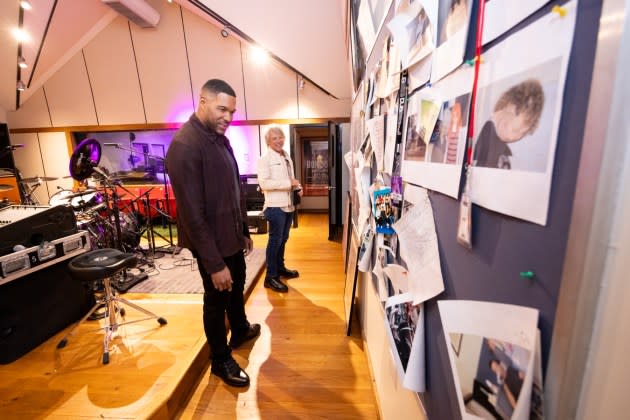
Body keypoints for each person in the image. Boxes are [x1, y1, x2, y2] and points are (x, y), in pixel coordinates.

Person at [165, 79, 260, 388]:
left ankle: (241, 328)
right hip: (212, 245)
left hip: (231, 235)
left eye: (231, 111)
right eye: (222, 109)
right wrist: (215, 264)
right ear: (202, 102)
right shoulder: (185, 146)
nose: (228, 118)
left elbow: (233, 189)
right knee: (216, 299)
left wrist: (243, 230)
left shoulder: (221, 139)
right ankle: (219, 359)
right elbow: (192, 214)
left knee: (238, 284)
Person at [256, 127, 302, 293]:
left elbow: (291, 178)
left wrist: (298, 187)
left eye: (280, 137)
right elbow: (264, 184)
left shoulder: (286, 156)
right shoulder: (265, 159)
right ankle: (270, 277)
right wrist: (289, 184)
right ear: (268, 141)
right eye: (274, 138)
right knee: (275, 241)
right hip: (275, 207)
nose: (279, 141)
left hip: (288, 205)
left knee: (283, 239)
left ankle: (280, 268)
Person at [474, 79, 545, 169]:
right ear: (509, 108)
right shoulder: (487, 133)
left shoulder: (501, 143)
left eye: (522, 134)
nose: (514, 137)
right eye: (515, 130)